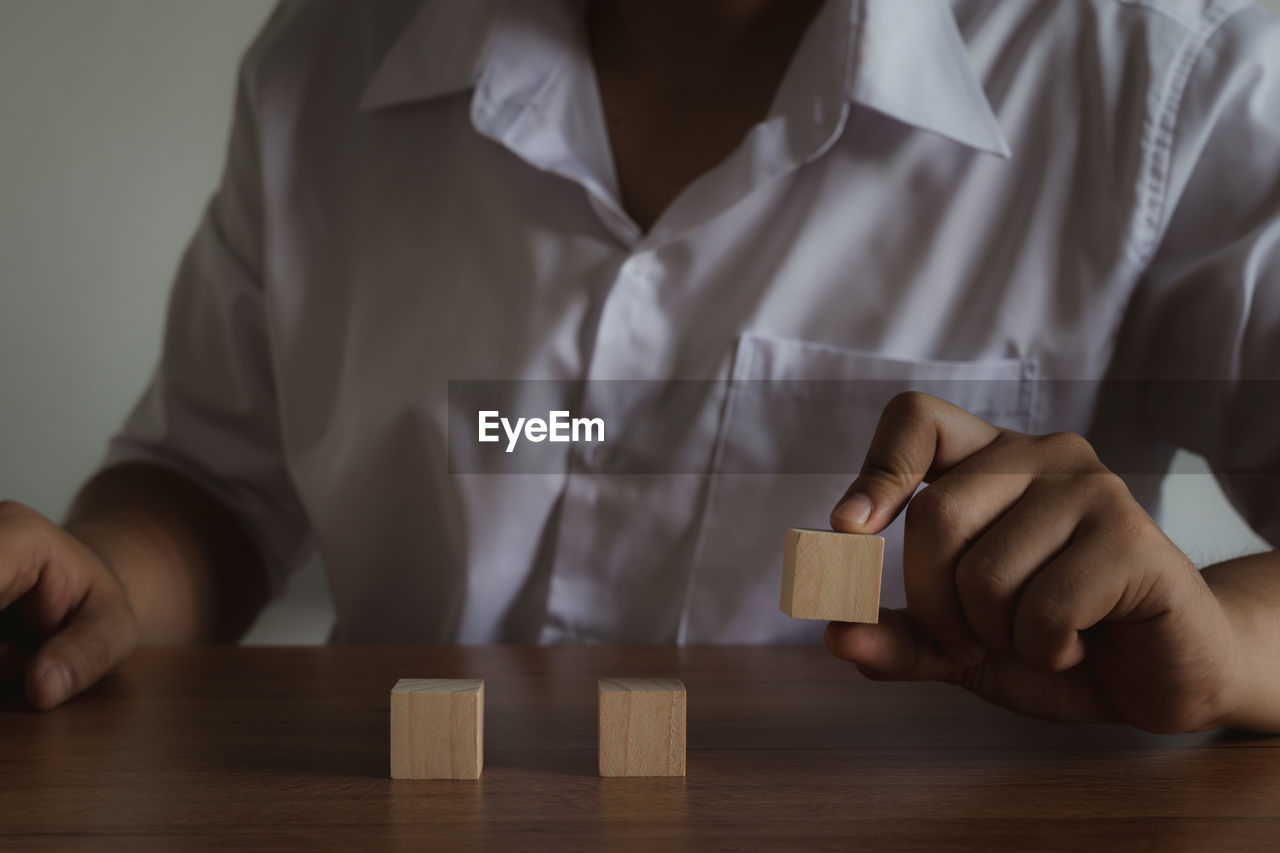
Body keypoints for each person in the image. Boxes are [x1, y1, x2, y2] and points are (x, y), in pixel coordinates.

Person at [2, 0, 1278, 734]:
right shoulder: (322, 55)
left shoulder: (1171, 71)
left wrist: (1225, 639)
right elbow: (210, 486)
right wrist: (106, 574)